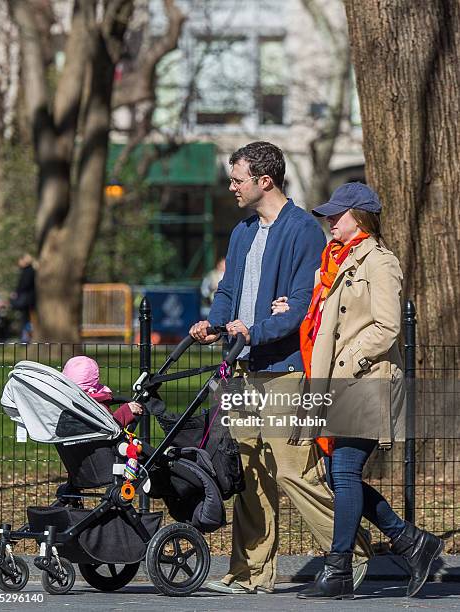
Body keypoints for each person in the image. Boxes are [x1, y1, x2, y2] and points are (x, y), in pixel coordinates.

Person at [189, 142, 372, 595]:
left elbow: (300, 309)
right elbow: (229, 290)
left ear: (264, 180)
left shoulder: (303, 231)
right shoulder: (242, 231)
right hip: (243, 366)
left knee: (292, 469)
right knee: (248, 471)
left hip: (285, 367)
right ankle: (251, 573)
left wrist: (254, 330)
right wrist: (215, 325)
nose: (231, 186)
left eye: (238, 179)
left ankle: (351, 552)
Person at [272, 182, 443, 599]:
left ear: (360, 218)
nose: (330, 220)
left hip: (364, 379)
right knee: (338, 473)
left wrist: (348, 362)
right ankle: (410, 541)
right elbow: (325, 321)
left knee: (344, 471)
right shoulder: (333, 262)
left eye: (337, 214)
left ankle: (339, 569)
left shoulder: (379, 262)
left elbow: (387, 326)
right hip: (336, 381)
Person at [62, 356, 143, 428]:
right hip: (99, 444)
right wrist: (127, 410)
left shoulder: (63, 400)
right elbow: (110, 427)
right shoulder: (95, 405)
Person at [10, 254, 36, 342]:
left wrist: (17, 293)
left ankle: (26, 338)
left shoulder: (29, 271)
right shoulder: (28, 271)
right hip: (28, 301)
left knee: (27, 320)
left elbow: (24, 285)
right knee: (25, 319)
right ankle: (25, 337)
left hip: (27, 301)